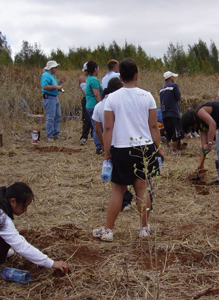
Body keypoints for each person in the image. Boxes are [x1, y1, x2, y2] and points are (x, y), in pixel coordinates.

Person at [93, 59, 165, 242]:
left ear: (120, 76)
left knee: (117, 190)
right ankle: (144, 229)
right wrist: (158, 148)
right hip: (145, 148)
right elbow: (153, 126)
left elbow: (107, 128)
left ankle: (108, 230)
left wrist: (107, 152)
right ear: (136, 75)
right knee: (142, 188)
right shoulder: (147, 96)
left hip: (122, 148)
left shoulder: (112, 98)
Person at [0, 183, 70, 273]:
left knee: (6, 238)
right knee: (4, 239)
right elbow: (21, 246)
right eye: (25, 206)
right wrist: (51, 263)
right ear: (13, 201)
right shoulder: (0, 217)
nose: (26, 210)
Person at [181, 101, 219, 185]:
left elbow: (213, 124)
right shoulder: (201, 125)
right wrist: (200, 165)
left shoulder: (200, 112)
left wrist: (209, 143)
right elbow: (203, 146)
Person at [92, 77, 123, 149]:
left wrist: (104, 145)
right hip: (123, 143)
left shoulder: (98, 106)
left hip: (109, 144)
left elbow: (97, 130)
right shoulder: (121, 103)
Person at [40, 60, 66, 142]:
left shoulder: (51, 75)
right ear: (51, 68)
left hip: (54, 97)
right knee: (50, 117)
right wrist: (56, 87)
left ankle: (56, 134)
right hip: (49, 98)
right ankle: (50, 136)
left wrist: (59, 82)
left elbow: (52, 85)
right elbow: (44, 87)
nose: (57, 69)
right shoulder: (45, 75)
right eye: (55, 67)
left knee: (57, 116)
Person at [160, 71, 183, 154]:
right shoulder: (174, 86)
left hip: (164, 113)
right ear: (170, 78)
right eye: (173, 77)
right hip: (173, 112)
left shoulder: (161, 89)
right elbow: (178, 97)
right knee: (176, 132)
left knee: (168, 131)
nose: (174, 78)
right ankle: (174, 150)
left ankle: (168, 147)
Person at [85, 61, 103, 154]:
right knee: (98, 127)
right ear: (95, 69)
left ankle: (98, 146)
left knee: (95, 125)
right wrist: (102, 104)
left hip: (89, 105)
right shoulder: (94, 80)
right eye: (98, 68)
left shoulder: (88, 79)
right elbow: (97, 94)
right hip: (94, 105)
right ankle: (100, 146)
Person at [79, 62, 93, 145]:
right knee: (86, 119)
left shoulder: (91, 78)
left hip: (91, 100)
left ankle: (93, 135)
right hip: (86, 100)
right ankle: (84, 136)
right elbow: (86, 90)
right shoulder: (82, 78)